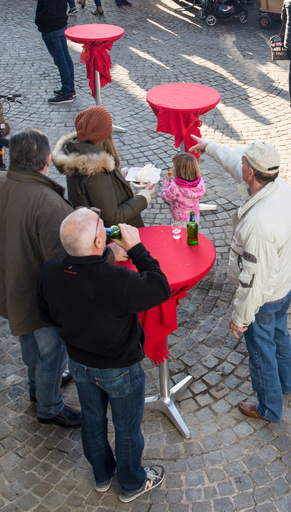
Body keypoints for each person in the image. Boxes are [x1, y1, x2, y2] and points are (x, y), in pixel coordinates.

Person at [36, 212, 169, 502]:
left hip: (80, 364)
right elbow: (160, 287)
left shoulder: (49, 271)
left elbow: (47, 312)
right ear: (100, 239)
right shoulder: (117, 279)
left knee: (93, 422)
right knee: (126, 429)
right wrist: (135, 248)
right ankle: (132, 483)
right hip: (120, 367)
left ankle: (102, 475)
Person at [0, 128, 81, 428]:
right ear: (46, 160)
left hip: (4, 284)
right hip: (36, 297)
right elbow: (64, 261)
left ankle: (37, 390)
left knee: (28, 342)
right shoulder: (47, 202)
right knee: (52, 352)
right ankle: (49, 406)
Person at [188, 138, 291, 423]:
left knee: (261, 352)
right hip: (284, 285)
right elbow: (233, 159)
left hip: (266, 296)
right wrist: (209, 147)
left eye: (244, 163)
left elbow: (254, 281)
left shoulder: (259, 225)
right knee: (280, 335)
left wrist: (240, 318)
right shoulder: (279, 186)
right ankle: (286, 384)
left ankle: (269, 408)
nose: (240, 165)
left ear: (251, 173)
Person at [52, 107, 154, 226]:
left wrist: (119, 175)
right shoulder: (96, 170)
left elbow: (96, 191)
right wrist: (144, 197)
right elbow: (112, 217)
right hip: (111, 238)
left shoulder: (78, 153)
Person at [30, 0, 76, 103]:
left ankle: (67, 92)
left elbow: (49, 8)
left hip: (52, 27)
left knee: (61, 60)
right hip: (60, 24)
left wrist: (38, 19)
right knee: (65, 58)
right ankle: (69, 87)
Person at [161, 153, 207, 223]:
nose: (172, 166)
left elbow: (165, 197)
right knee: (192, 232)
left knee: (180, 234)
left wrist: (167, 181)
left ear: (180, 170)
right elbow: (201, 196)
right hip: (194, 216)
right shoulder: (200, 181)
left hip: (179, 219)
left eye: (174, 166)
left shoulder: (175, 186)